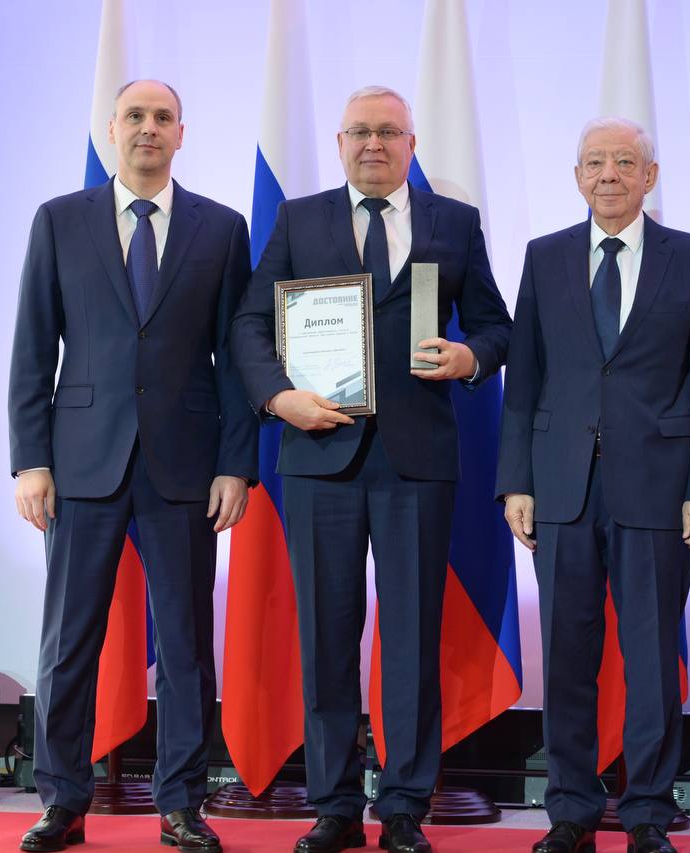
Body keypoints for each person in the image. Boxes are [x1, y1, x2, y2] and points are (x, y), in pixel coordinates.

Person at [231, 85, 511, 853]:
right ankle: (333, 805)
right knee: (326, 637)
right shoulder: (299, 220)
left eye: (389, 132)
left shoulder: (455, 223)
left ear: (412, 144)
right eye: (360, 131)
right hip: (319, 455)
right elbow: (250, 323)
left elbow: (496, 326)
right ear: (340, 142)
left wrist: (469, 356)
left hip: (417, 460)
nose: (374, 144)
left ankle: (405, 806)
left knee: (413, 638)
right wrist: (279, 397)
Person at [8, 79, 257, 853]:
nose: (150, 128)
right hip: (81, 461)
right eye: (136, 116)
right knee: (68, 642)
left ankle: (181, 804)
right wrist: (30, 460)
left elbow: (237, 358)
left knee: (185, 645)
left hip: (186, 464)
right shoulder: (59, 219)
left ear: (182, 133)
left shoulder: (223, 228)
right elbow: (32, 348)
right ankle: (62, 800)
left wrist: (236, 464)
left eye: (163, 117)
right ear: (112, 130)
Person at [496, 117, 690, 853]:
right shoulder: (544, 256)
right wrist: (516, 480)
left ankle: (648, 814)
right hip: (560, 487)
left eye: (625, 162)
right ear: (577, 177)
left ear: (649, 176)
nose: (609, 174)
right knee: (567, 655)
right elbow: (524, 379)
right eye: (595, 162)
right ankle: (570, 810)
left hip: (658, 489)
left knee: (652, 659)